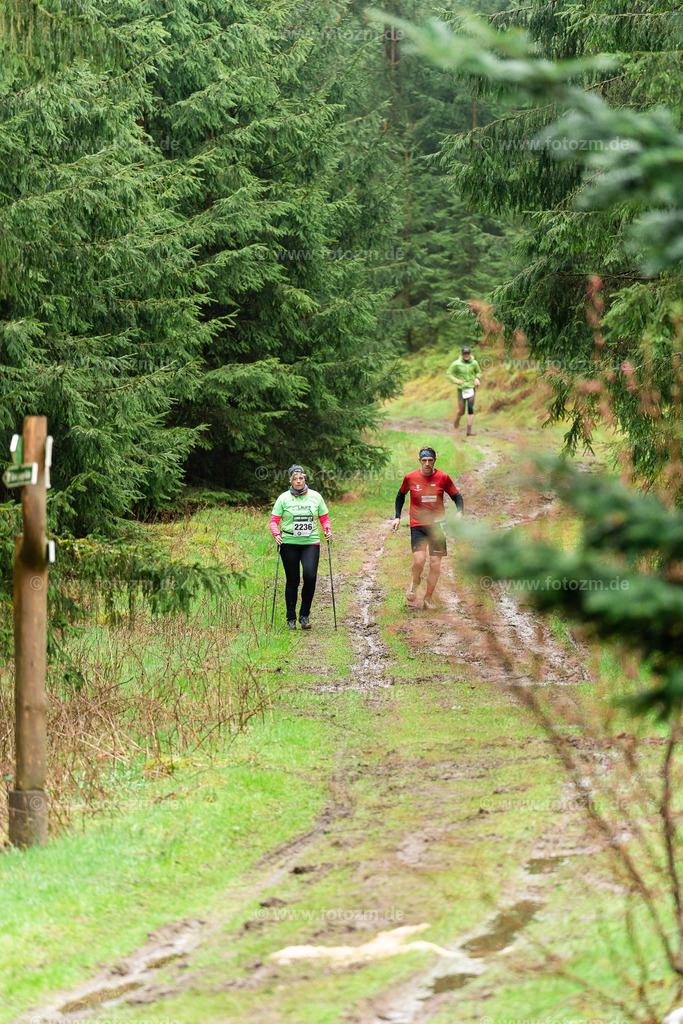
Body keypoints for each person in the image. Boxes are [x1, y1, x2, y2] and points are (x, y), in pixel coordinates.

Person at [391, 446, 463, 610]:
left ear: (434, 461)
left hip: (439, 525)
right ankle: (416, 580)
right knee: (419, 560)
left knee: (435, 563)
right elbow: (400, 495)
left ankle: (428, 598)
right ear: (420, 461)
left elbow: (456, 496)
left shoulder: (443, 477)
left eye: (430, 460)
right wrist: (397, 517)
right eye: (424, 461)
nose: (427, 464)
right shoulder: (410, 478)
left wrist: (460, 512)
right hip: (418, 525)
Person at [269, 464, 332, 630]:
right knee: (293, 580)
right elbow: (274, 521)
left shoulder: (315, 497)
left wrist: (327, 530)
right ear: (290, 480)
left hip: (310, 542)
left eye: (301, 478)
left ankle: (304, 615)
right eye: (295, 479)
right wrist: (276, 535)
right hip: (289, 542)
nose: (298, 481)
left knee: (310, 577)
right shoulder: (283, 498)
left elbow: (324, 518)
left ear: (305, 479)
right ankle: (291, 618)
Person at [446, 345, 482, 436]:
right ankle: (457, 419)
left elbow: (478, 371)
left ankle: (469, 431)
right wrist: (456, 381)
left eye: (468, 353)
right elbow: (448, 374)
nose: (466, 355)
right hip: (461, 389)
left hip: (471, 388)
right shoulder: (457, 364)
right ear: (462, 354)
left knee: (470, 408)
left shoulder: (474, 363)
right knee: (462, 411)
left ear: (470, 354)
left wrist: (477, 378)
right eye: (465, 354)